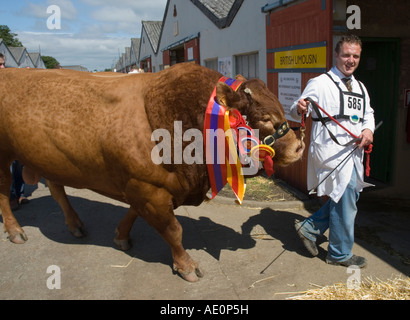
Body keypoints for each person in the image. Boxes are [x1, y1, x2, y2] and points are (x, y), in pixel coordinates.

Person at [289, 35, 375, 268]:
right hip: (331, 151)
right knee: (346, 196)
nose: (351, 60)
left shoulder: (360, 87)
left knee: (348, 196)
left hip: (354, 152)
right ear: (336, 55)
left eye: (355, 56)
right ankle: (339, 253)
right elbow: (297, 108)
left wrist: (368, 130)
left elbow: (369, 114)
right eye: (346, 55)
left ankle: (309, 228)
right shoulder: (320, 82)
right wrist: (300, 107)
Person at [0, 54, 29, 209]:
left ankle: (20, 194)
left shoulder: (9, 85)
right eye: (0, 65)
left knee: (19, 166)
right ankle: (10, 196)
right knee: (6, 168)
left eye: (3, 64)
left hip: (13, 132)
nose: (3, 68)